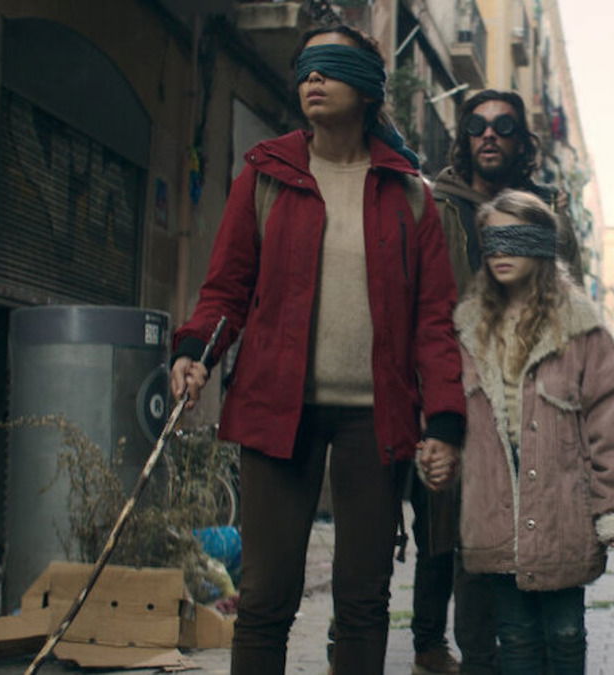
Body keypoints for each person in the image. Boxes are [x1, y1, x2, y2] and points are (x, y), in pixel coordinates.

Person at [169, 24, 464, 675]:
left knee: (363, 600)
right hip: (277, 409)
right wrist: (195, 350)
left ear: (367, 89)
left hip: (376, 419)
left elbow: (434, 322)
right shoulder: (265, 176)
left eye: (330, 67)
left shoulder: (410, 195)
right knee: (266, 598)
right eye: (306, 68)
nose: (313, 78)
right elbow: (227, 287)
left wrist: (444, 420)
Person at [433, 190, 614, 674]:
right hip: (497, 515)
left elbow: (613, 422)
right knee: (515, 637)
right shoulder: (468, 330)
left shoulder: (580, 330)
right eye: (491, 240)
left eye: (515, 238)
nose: (500, 251)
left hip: (562, 514)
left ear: (542, 245)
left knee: (566, 634)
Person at [408, 89, 585, 675]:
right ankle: (451, 652)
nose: (489, 134)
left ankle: (509, 656)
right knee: (448, 533)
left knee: (514, 534)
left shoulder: (545, 210)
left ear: (521, 141)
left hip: (527, 397)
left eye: (504, 126)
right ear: (464, 137)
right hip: (451, 389)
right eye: (478, 125)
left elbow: (570, 299)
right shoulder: (437, 204)